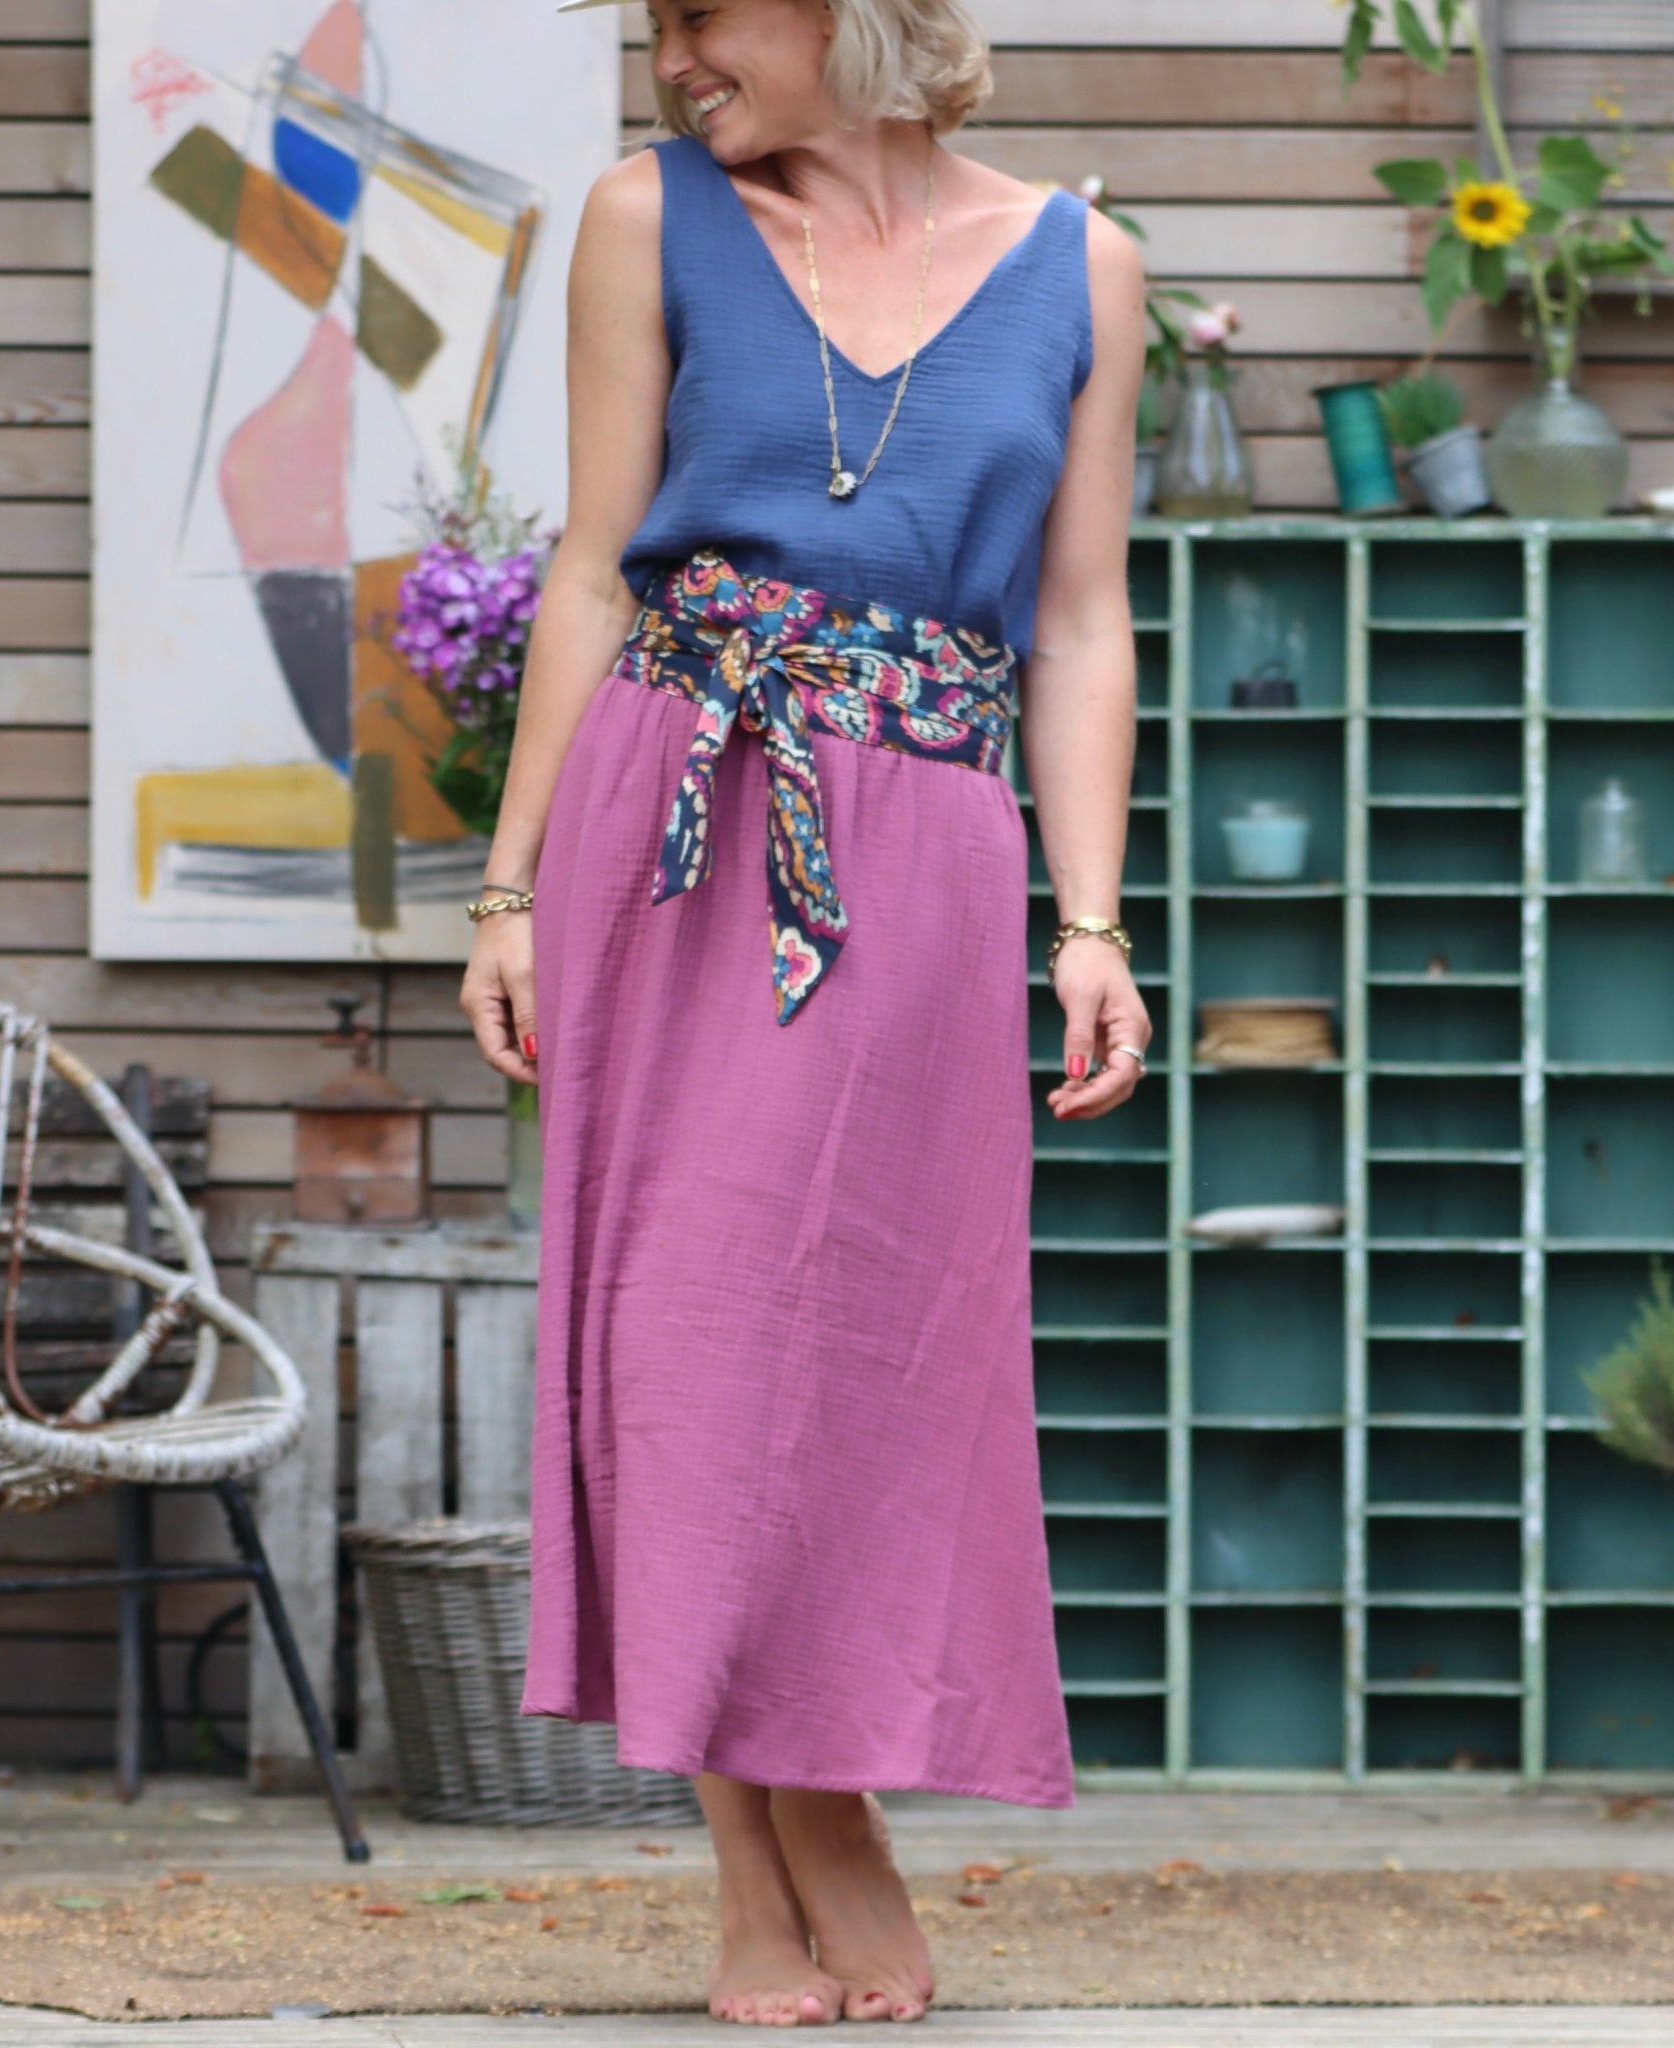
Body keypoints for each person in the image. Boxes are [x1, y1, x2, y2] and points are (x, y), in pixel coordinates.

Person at [458, 0, 1148, 2024]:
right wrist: (506, 887)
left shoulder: (1083, 268)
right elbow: (593, 573)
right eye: (656, 21)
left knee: (864, 1343)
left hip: (926, 834)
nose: (674, 55)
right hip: (674, 812)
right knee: (676, 1333)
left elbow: (1077, 620)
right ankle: (784, 1844)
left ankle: (808, 1807)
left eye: (706, 13)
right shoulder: (642, 218)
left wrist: (1092, 921)